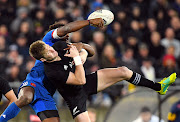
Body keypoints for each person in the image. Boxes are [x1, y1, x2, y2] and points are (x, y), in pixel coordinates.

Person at [29, 38, 177, 122]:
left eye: (48, 46)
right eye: (47, 52)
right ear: (42, 59)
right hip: (74, 97)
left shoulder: (59, 46)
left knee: (124, 71)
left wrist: (82, 54)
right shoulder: (52, 71)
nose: (51, 50)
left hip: (88, 80)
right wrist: (77, 59)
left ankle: (158, 86)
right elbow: (80, 80)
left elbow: (84, 49)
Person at [0, 18, 104, 122]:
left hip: (47, 95)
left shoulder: (67, 49)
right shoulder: (48, 41)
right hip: (33, 83)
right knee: (26, 98)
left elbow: (92, 51)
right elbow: (67, 28)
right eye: (65, 33)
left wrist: (83, 48)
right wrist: (89, 22)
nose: (68, 35)